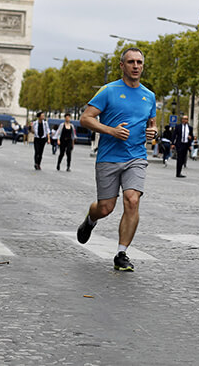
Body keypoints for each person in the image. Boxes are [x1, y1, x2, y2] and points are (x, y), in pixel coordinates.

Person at [77, 47, 157, 272]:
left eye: (139, 62)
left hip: (136, 156)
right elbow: (86, 118)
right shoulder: (108, 91)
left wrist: (154, 132)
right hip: (109, 157)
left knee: (132, 200)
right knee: (105, 208)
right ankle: (90, 220)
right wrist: (111, 131)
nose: (135, 66)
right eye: (131, 62)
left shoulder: (149, 96)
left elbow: (152, 124)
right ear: (122, 65)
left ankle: (122, 253)